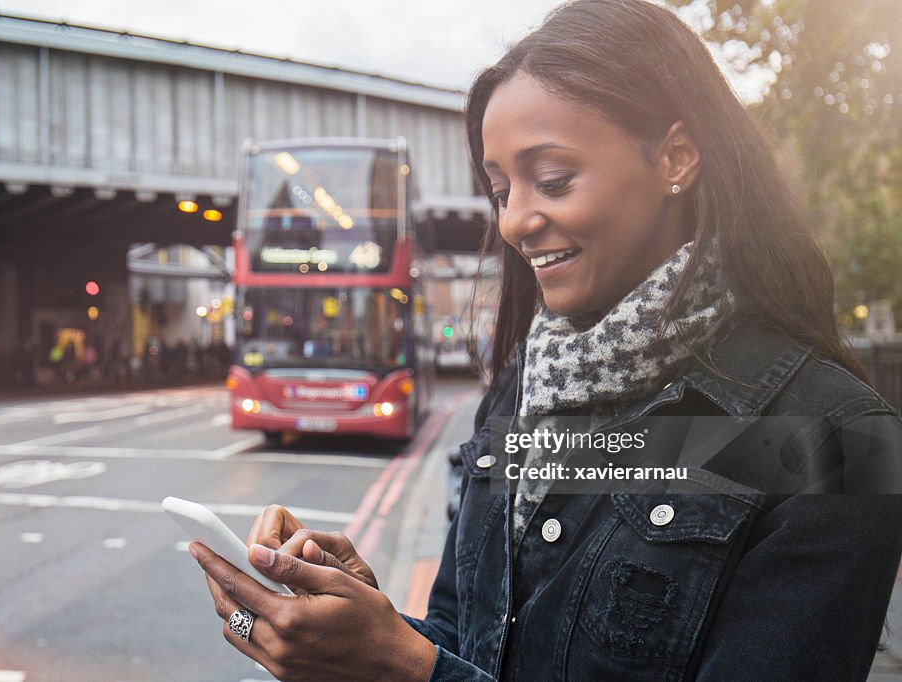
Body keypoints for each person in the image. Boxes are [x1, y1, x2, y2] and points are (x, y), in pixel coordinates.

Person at [187, 1, 902, 680]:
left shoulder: (837, 442)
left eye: (552, 180)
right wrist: (369, 626)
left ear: (676, 158)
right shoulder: (521, 387)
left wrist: (402, 667)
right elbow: (471, 645)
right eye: (501, 191)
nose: (514, 222)